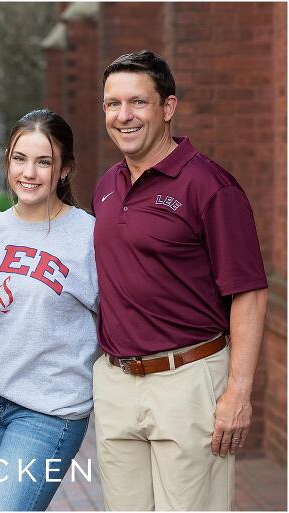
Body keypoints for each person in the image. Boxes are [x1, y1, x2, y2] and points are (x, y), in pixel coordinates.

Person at [92, 50, 269, 510]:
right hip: (117, 381)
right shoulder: (107, 185)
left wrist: (238, 392)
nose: (123, 116)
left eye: (138, 103)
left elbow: (248, 292)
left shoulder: (210, 186)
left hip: (188, 380)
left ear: (168, 107)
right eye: (112, 104)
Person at [0, 109, 99, 511]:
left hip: (49, 411)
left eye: (45, 162)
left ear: (65, 170)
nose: (30, 172)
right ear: (7, 160)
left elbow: (120, 319)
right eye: (20, 158)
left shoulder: (91, 236)